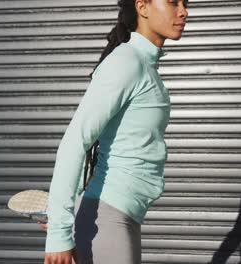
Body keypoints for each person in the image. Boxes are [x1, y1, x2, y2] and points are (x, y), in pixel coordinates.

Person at [41, 0, 188, 263]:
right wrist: (59, 232)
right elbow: (75, 142)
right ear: (142, 7)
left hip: (117, 216)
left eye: (185, 3)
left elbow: (101, 143)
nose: (183, 11)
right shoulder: (126, 62)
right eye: (173, 2)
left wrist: (71, 212)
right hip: (108, 218)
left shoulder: (144, 65)